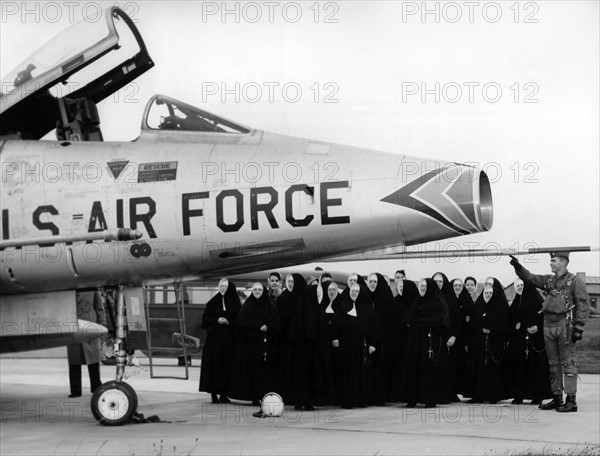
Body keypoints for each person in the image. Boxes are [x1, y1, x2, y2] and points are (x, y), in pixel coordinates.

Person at [510, 252, 590, 412]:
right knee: (553, 363)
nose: (550, 263)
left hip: (564, 324)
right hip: (548, 323)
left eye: (553, 260)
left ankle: (571, 400)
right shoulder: (548, 280)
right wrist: (518, 267)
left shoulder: (575, 281)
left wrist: (579, 327)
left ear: (563, 262)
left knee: (568, 362)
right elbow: (530, 278)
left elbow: (583, 303)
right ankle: (557, 398)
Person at [229, 282, 281, 409]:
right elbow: (241, 325)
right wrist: (255, 330)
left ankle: (265, 395)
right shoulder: (247, 307)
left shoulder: (270, 306)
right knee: (252, 371)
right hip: (251, 345)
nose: (257, 291)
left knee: (265, 372)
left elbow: (276, 322)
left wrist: (267, 327)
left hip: (265, 344)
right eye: (255, 289)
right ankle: (253, 396)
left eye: (259, 289)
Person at [400, 278, 450, 408]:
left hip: (429, 342)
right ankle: (412, 398)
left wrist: (424, 323)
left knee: (428, 370)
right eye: (421, 286)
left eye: (425, 286)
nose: (423, 288)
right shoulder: (417, 301)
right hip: (415, 342)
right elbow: (409, 319)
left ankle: (429, 399)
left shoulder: (438, 302)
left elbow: (442, 321)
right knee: (413, 369)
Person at [331, 284, 380, 409]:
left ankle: (361, 399)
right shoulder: (343, 306)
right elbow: (335, 324)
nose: (354, 293)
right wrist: (335, 338)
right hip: (346, 345)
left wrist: (373, 344)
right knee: (347, 373)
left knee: (362, 373)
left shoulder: (368, 309)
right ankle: (347, 399)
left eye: (357, 291)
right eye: (352, 291)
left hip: (362, 345)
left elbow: (374, 329)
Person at [508, 279, 552, 405]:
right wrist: (514, 325)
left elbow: (545, 317)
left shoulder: (537, 301)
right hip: (519, 341)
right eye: (518, 286)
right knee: (519, 368)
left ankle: (536, 396)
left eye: (522, 285)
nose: (520, 287)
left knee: (534, 368)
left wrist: (537, 327)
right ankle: (519, 395)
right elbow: (510, 318)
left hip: (535, 341)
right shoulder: (517, 301)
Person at [289, 284, 333, 410]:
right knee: (303, 376)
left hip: (312, 350)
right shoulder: (301, 311)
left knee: (311, 376)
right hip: (303, 350)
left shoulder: (317, 309)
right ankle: (300, 401)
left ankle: (307, 401)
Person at [199, 278, 241, 404]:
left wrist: (229, 322)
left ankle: (224, 395)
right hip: (215, 342)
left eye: (225, 286)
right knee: (214, 367)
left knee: (227, 367)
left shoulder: (235, 303)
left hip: (229, 342)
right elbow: (205, 320)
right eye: (221, 286)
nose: (223, 288)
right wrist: (217, 320)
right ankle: (213, 395)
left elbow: (240, 320)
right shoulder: (212, 302)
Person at [468, 282, 510, 404]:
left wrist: (491, 330)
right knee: (478, 369)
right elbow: (473, 324)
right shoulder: (479, 305)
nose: (488, 295)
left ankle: (492, 395)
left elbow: (504, 326)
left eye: (490, 293)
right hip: (479, 344)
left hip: (494, 344)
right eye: (486, 293)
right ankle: (478, 395)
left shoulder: (500, 307)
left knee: (493, 371)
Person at [67, 290, 107, 398]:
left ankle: (96, 386)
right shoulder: (69, 284)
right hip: (73, 321)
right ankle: (75, 389)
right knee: (74, 358)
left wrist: (102, 324)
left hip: (90, 322)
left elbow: (99, 308)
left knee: (93, 358)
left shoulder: (93, 287)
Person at [275, 273, 307, 402]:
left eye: (293, 282)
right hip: (286, 339)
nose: (291, 284)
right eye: (289, 281)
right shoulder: (283, 297)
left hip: (300, 339)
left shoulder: (304, 298)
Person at [389, 277, 419, 402]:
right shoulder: (396, 301)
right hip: (399, 340)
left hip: (412, 340)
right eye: (399, 288)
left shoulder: (416, 303)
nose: (400, 290)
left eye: (403, 288)